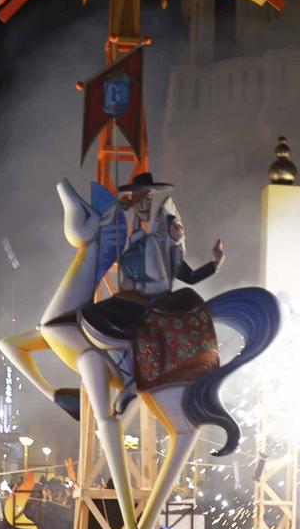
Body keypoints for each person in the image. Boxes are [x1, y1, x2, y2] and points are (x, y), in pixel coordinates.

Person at [78, 172, 223, 413]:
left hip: (149, 302)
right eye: (140, 199)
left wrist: (215, 263)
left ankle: (130, 380)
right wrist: (119, 210)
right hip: (128, 299)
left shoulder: (163, 243)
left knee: (104, 320)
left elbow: (189, 276)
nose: (144, 204)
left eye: (148, 199)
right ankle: (112, 371)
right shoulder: (134, 236)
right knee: (90, 318)